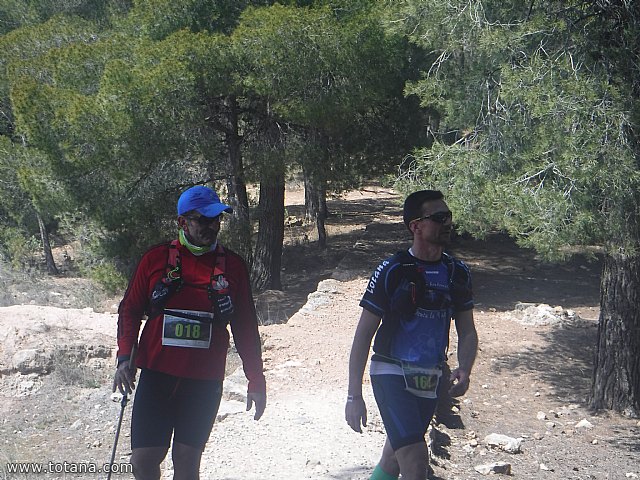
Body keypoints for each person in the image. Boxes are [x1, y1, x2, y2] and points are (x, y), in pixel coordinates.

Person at [113, 186, 266, 480]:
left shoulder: (233, 266)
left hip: (204, 381)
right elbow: (130, 309)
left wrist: (256, 378)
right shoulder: (155, 259)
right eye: (202, 220)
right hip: (158, 374)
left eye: (216, 219)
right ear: (183, 222)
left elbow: (246, 325)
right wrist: (124, 357)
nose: (211, 226)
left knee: (186, 462)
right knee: (143, 461)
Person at [345, 190, 478, 480]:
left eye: (449, 216)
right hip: (391, 371)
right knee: (416, 463)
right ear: (415, 226)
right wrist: (354, 395)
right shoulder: (393, 269)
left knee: (394, 458)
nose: (448, 223)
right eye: (439, 218)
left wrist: (465, 369)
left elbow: (467, 331)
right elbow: (363, 334)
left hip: (429, 375)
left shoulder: (457, 272)